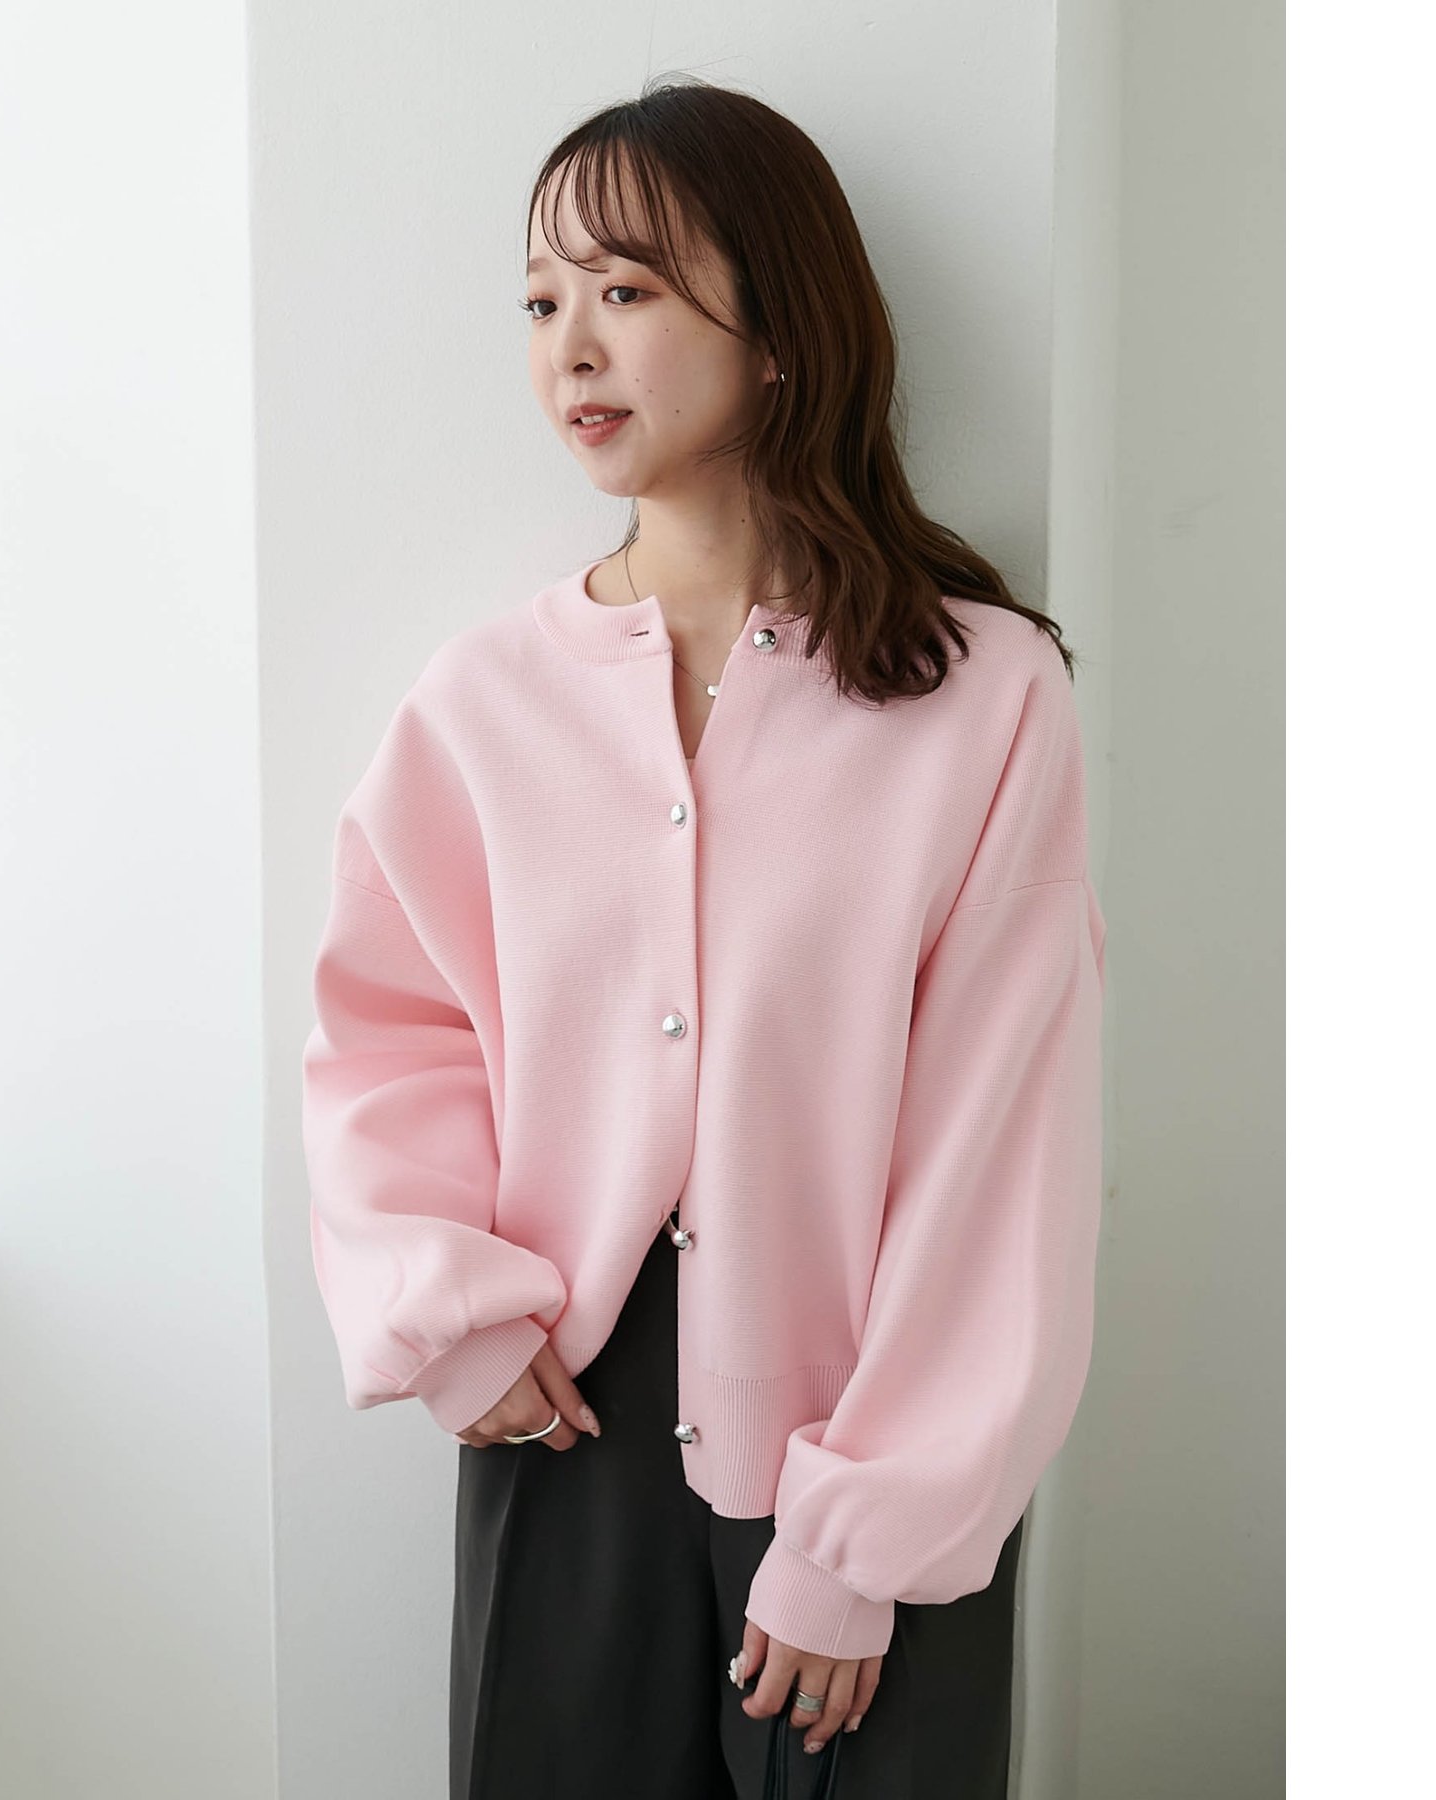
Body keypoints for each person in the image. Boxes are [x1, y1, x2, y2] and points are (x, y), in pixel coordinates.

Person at [301, 76, 1108, 1800]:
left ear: (780, 327)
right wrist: (450, 1318)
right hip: (560, 1416)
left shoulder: (980, 698)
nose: (571, 347)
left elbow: (1002, 1141)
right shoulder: (482, 703)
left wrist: (868, 1533)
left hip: (861, 1449)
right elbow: (387, 1034)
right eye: (541, 301)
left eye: (628, 290)